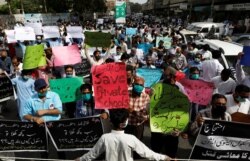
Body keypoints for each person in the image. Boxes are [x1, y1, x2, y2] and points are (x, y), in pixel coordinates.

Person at [75, 109, 172, 161]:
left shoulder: (105, 138)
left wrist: (80, 159)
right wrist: (164, 158)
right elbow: (147, 153)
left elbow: (92, 154)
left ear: (111, 122)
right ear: (125, 122)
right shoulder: (131, 138)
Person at [125, 76, 150, 140]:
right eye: (137, 84)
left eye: (141, 85)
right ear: (133, 84)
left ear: (143, 87)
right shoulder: (126, 94)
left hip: (138, 125)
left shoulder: (146, 97)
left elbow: (146, 116)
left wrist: (134, 112)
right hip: (126, 124)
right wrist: (126, 109)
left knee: (137, 145)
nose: (139, 86)